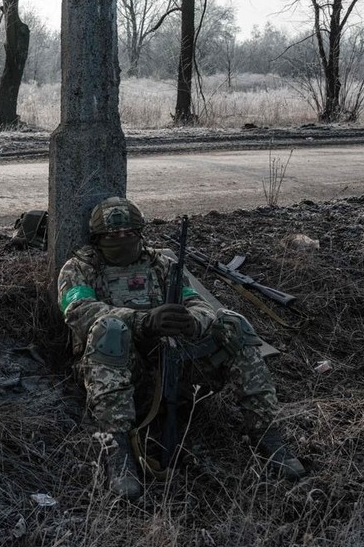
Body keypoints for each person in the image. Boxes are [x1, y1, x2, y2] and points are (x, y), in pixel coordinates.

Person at [57, 196, 306, 501]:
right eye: (111, 237)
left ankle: (266, 434)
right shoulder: (79, 268)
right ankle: (118, 452)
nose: (120, 240)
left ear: (140, 234)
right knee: (111, 329)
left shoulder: (160, 263)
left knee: (233, 324)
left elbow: (197, 302)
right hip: (115, 373)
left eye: (128, 235)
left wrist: (191, 322)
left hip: (172, 362)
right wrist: (143, 321)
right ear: (98, 239)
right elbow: (79, 311)